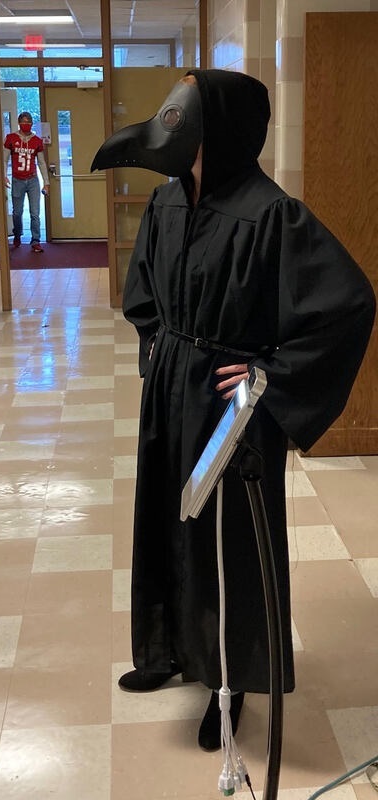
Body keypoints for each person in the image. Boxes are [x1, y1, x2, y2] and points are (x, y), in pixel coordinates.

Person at [91, 69, 375, 752]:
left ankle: (229, 680)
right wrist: (157, 342)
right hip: (170, 390)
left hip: (231, 405)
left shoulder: (271, 213)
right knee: (166, 515)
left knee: (227, 541)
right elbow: (145, 291)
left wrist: (267, 376)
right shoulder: (167, 202)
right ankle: (167, 651)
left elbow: (348, 304)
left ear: (223, 128)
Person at [4, 111, 49, 253]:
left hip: (32, 179)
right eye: (23, 122)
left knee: (35, 212)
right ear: (19, 123)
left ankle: (36, 240)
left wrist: (46, 182)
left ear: (32, 123)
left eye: (29, 122)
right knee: (17, 212)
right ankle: (17, 234)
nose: (26, 124)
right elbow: (4, 159)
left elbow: (41, 162)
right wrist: (4, 175)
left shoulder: (36, 141)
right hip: (17, 179)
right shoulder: (11, 138)